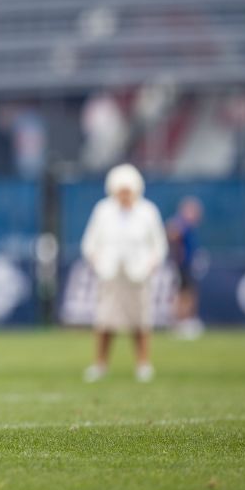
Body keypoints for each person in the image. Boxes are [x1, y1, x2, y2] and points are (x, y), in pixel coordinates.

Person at [81, 164, 167, 383]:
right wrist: (99, 263)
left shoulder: (148, 211)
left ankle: (143, 364)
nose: (124, 195)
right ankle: (100, 364)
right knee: (105, 321)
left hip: (138, 276)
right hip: (110, 275)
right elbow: (90, 243)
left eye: (128, 190)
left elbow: (159, 246)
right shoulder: (103, 210)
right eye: (121, 190)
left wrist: (149, 266)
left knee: (140, 321)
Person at [166, 196, 204, 340]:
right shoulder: (181, 223)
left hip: (187, 264)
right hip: (182, 265)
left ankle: (186, 321)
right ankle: (180, 323)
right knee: (184, 295)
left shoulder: (189, 226)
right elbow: (171, 231)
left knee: (189, 294)